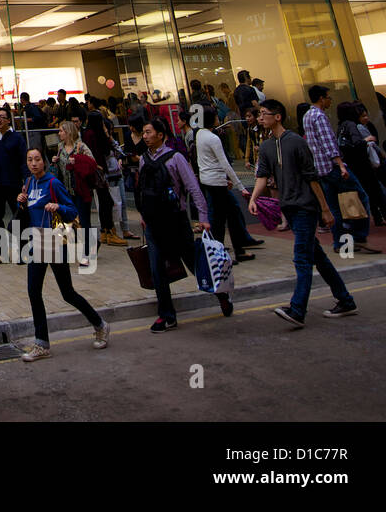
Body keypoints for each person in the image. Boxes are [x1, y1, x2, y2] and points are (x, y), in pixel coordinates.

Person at [250, 100, 357, 326]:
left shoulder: (297, 142)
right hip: (288, 206)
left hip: (305, 207)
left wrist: (325, 209)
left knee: (302, 257)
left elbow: (312, 177)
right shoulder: (267, 146)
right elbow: (262, 176)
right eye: (259, 114)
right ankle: (345, 300)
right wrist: (253, 198)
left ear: (277, 116)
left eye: (264, 114)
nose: (260, 118)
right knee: (318, 257)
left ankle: (297, 309)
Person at [137, 117, 233, 330]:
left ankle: (221, 293)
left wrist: (204, 217)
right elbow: (143, 190)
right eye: (143, 133)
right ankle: (166, 315)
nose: (145, 136)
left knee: (194, 264)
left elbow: (193, 188)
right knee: (156, 269)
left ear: (161, 135)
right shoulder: (143, 159)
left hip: (176, 220)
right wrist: (143, 215)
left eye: (148, 132)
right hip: (153, 222)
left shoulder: (176, 157)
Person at [16, 147, 109, 361]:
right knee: (33, 291)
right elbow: (26, 213)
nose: (33, 163)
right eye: (30, 160)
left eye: (37, 159)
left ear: (44, 162)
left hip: (55, 241)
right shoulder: (29, 183)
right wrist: (20, 201)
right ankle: (42, 343)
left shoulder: (53, 183)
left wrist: (57, 205)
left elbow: (72, 210)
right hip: (37, 241)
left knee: (67, 293)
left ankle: (100, 324)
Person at [303, 85, 378, 254]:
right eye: (328, 97)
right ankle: (359, 237)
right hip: (332, 167)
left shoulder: (307, 115)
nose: (330, 100)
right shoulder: (319, 116)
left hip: (321, 169)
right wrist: (341, 165)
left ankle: (340, 243)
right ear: (321, 98)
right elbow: (328, 143)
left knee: (335, 206)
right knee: (361, 197)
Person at [193, 106, 259, 262]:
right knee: (223, 218)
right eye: (216, 116)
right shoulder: (212, 138)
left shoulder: (200, 134)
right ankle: (222, 253)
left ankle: (235, 250)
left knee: (227, 215)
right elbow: (225, 164)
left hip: (209, 180)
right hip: (217, 182)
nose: (218, 118)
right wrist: (241, 186)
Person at [337, 100, 386, 231]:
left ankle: (377, 218)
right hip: (362, 164)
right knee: (377, 192)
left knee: (366, 193)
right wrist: (366, 140)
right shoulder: (352, 125)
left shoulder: (341, 126)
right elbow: (358, 143)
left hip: (351, 165)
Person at [83, 112, 129, 246]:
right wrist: (106, 134)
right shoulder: (95, 135)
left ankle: (106, 232)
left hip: (97, 173)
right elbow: (109, 149)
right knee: (106, 202)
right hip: (101, 173)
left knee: (105, 202)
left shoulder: (87, 134)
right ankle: (109, 231)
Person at [0, 107, 27, 248]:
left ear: (9, 120)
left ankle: (23, 250)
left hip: (14, 184)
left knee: (18, 217)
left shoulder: (17, 138)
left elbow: (23, 161)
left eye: (2, 117)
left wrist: (26, 181)